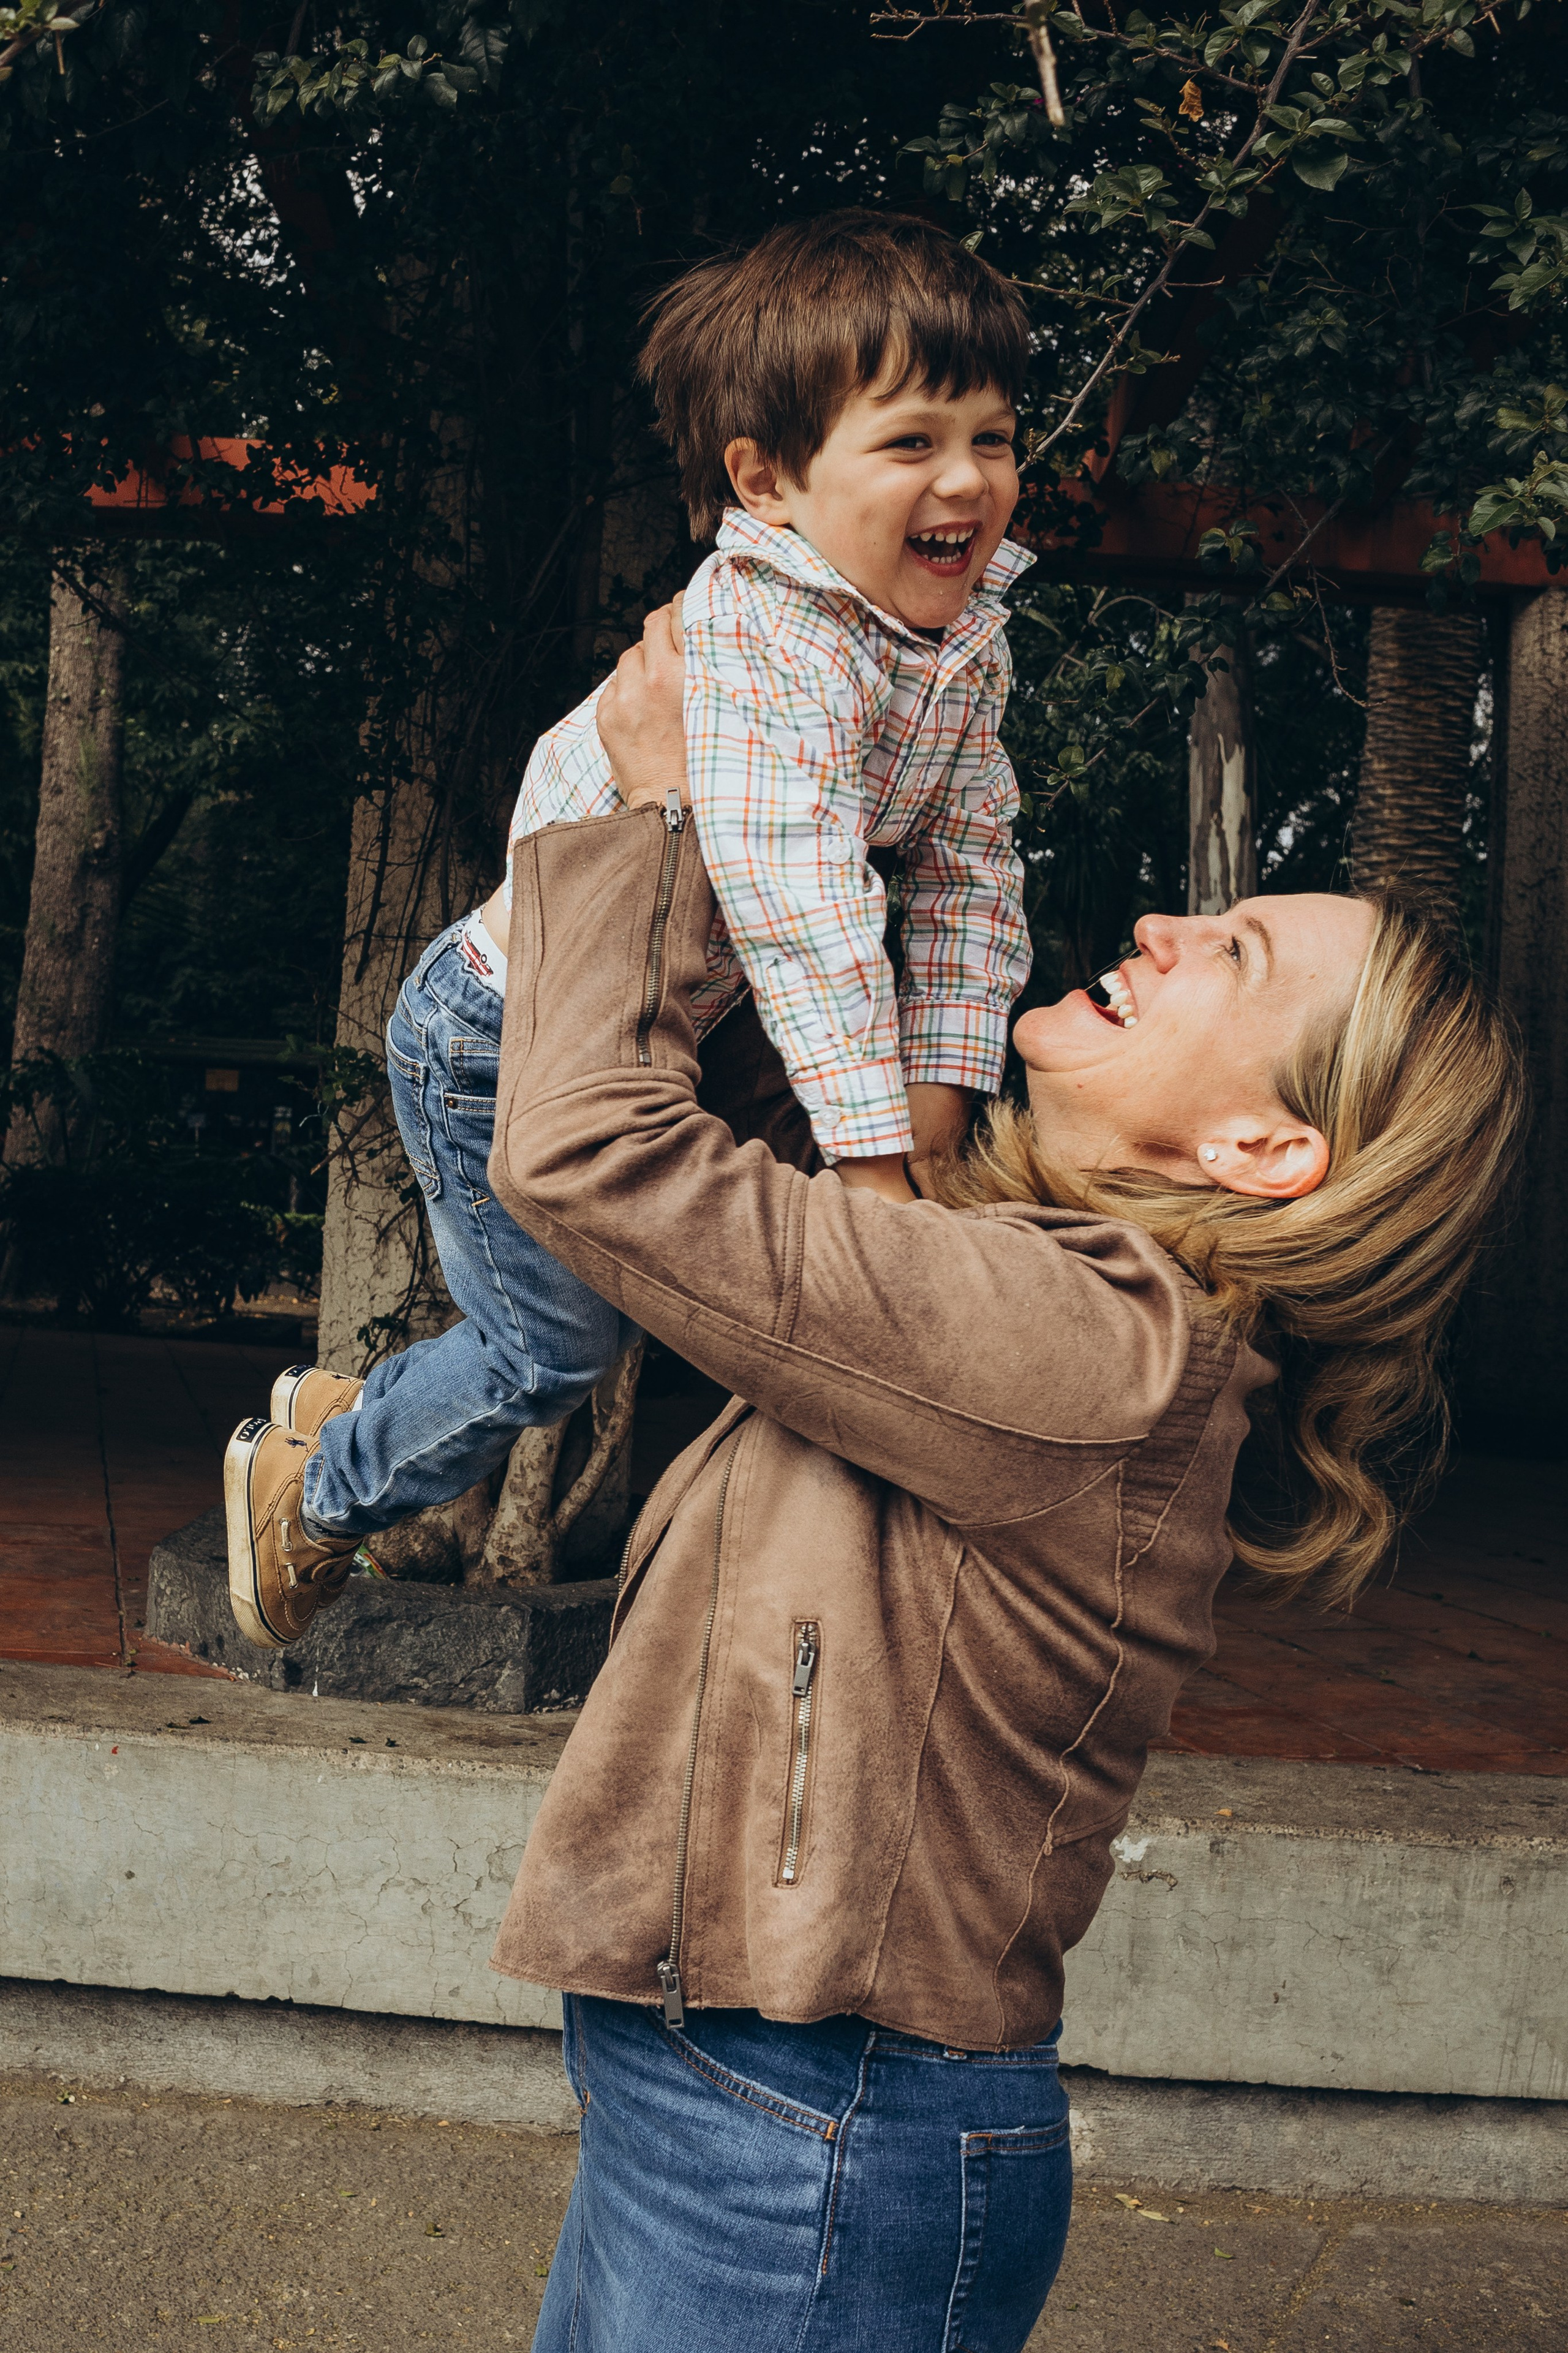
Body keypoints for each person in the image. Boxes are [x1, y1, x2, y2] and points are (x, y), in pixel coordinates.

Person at [475, 609, 1526, 2352]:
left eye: (1236, 956)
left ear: (1267, 1149)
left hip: (809, 2137)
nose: (1169, 929)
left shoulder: (1098, 1341)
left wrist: (659, 809)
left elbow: (591, 1153)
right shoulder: (1030, 1286)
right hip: (748, 2106)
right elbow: (740, 1133)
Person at [224, 207, 1039, 1649]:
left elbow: (972, 867)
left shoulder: (952, 643)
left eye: (993, 435)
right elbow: (800, 899)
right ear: (767, 481)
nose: (969, 480)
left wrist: (934, 1108)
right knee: (556, 1350)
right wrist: (869, 1159)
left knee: (814, 1297)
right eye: (912, 442)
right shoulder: (760, 638)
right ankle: (320, 1485)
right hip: (499, 1033)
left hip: (701, 1026)